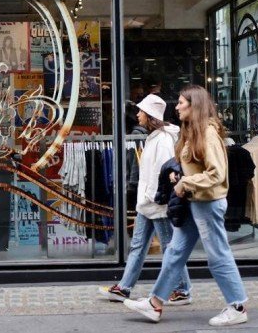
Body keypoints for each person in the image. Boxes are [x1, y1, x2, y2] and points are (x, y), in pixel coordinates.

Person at [123, 84, 248, 327]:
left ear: (195, 105)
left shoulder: (208, 134)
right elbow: (194, 166)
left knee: (217, 255)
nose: (176, 106)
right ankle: (155, 303)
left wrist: (185, 183)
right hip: (194, 201)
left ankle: (238, 306)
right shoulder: (193, 131)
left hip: (207, 203)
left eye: (181, 103)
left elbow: (217, 174)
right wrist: (178, 175)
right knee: (174, 252)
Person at [99, 94, 192, 305]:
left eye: (141, 111)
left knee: (170, 248)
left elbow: (164, 172)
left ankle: (183, 290)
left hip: (156, 204)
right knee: (139, 245)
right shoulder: (155, 138)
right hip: (147, 204)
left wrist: (153, 197)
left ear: (150, 115)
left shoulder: (163, 140)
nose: (138, 114)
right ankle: (124, 287)